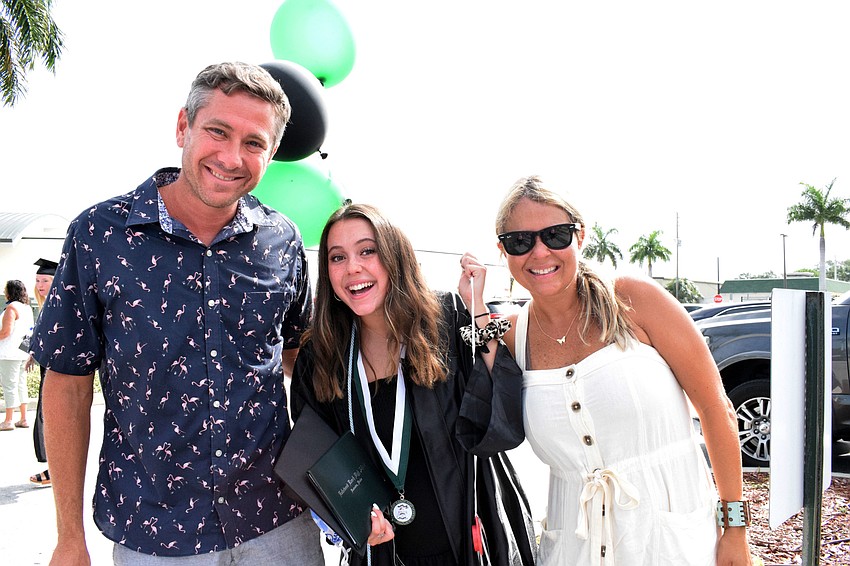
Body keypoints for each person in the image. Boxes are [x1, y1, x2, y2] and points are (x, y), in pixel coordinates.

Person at [30, 62, 323, 565]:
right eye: (218, 131)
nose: (231, 157)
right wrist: (69, 536)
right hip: (156, 532)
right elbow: (68, 384)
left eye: (254, 143)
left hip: (277, 522)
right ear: (183, 126)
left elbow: (303, 359)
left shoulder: (283, 241)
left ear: (272, 153)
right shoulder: (100, 236)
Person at [494, 176, 753, 565]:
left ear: (580, 236)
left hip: (673, 544)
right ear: (503, 250)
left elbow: (716, 408)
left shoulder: (635, 300)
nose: (540, 252)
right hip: (573, 551)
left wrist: (734, 528)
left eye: (555, 235)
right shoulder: (513, 336)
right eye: (520, 241)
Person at [288, 203, 535, 566]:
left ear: (395, 256)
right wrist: (352, 523)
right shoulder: (321, 356)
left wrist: (477, 309)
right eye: (337, 257)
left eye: (367, 251)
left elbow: (504, 421)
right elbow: (318, 462)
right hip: (384, 554)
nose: (352, 267)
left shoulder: (445, 320)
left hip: (472, 543)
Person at [27, 258, 57, 486]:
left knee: (52, 419)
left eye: (45, 280)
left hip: (58, 368)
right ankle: (52, 469)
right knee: (46, 418)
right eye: (38, 281)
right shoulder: (45, 305)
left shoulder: (59, 305)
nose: (40, 285)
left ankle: (54, 470)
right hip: (47, 366)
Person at [0, 279, 34, 431]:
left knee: (9, 386)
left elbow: (5, 332)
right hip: (22, 352)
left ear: (10, 291)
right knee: (21, 384)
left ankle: (8, 421)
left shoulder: (11, 308)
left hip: (9, 353)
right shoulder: (27, 308)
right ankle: (23, 418)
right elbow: (30, 331)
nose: (4, 292)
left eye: (5, 289)